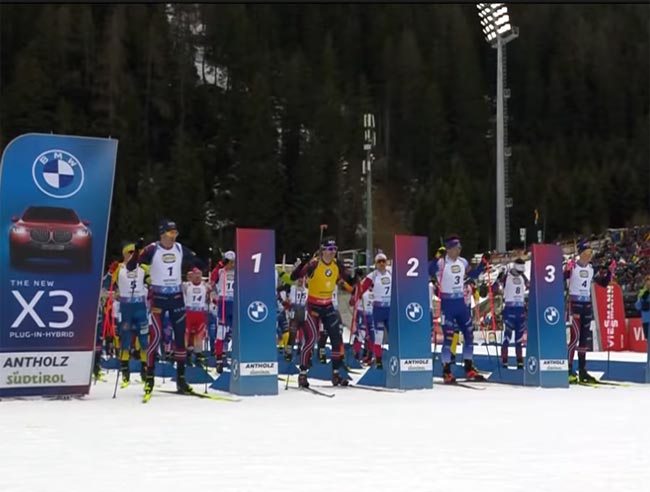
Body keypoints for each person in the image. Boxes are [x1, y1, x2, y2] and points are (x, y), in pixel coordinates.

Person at [127, 219, 204, 398]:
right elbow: (131, 266)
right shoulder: (153, 249)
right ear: (162, 234)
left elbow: (199, 263)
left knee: (180, 339)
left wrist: (198, 266)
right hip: (159, 298)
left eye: (175, 233)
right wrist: (137, 251)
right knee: (156, 337)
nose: (173, 236)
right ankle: (150, 379)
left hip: (176, 298)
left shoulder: (179, 249)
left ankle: (181, 380)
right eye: (170, 233)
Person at [290, 237, 353, 387]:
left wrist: (352, 282)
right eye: (330, 249)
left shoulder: (336, 265)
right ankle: (303, 373)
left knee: (337, 340)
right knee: (311, 339)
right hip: (313, 307)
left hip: (328, 306)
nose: (333, 253)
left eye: (335, 249)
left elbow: (344, 279)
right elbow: (294, 277)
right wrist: (302, 265)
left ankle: (336, 374)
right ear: (323, 250)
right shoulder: (313, 264)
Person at [428, 235, 488, 384]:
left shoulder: (463, 261)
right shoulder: (441, 263)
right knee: (448, 338)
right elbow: (429, 270)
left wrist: (482, 264)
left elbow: (472, 274)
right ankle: (446, 370)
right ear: (449, 249)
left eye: (460, 247)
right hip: (447, 305)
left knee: (469, 335)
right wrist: (436, 257)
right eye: (457, 248)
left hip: (460, 303)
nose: (459, 250)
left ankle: (469, 367)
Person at [565, 240, 610, 384]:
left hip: (586, 305)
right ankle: (568, 368)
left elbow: (602, 284)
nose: (590, 255)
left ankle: (583, 370)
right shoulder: (573, 267)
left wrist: (609, 273)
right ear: (581, 253)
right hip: (575, 304)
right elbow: (562, 278)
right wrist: (567, 270)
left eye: (591, 253)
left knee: (584, 340)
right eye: (587, 252)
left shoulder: (591, 268)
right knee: (575, 337)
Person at [113, 243, 150, 388]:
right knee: (126, 340)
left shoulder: (143, 268)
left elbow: (151, 280)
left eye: (135, 253)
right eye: (130, 253)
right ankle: (125, 371)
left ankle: (144, 369)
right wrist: (111, 273)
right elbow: (111, 282)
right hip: (126, 307)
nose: (133, 256)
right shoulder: (119, 268)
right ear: (125, 254)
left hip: (140, 307)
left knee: (144, 340)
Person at [354, 253, 392, 368]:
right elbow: (362, 288)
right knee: (378, 336)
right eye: (379, 262)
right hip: (378, 310)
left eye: (383, 261)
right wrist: (356, 296)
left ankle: (394, 358)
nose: (382, 264)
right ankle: (378, 361)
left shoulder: (391, 272)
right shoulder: (373, 275)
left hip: (390, 309)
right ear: (375, 264)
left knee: (394, 335)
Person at [499, 258, 529, 369]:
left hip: (520, 310)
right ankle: (504, 363)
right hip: (510, 310)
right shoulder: (507, 275)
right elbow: (494, 286)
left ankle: (520, 364)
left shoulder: (523, 276)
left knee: (519, 340)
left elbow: (529, 285)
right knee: (507, 338)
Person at [210, 250, 235, 374]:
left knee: (234, 332)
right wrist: (220, 264)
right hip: (224, 304)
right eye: (229, 262)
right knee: (221, 331)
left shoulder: (238, 272)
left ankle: (234, 356)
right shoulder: (220, 271)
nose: (231, 265)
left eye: (233, 262)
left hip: (235, 304)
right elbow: (212, 280)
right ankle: (219, 359)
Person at [183, 267, 209, 369]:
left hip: (200, 313)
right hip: (189, 312)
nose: (198, 278)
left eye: (199, 276)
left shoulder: (205, 286)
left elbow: (212, 292)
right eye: (196, 276)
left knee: (199, 335)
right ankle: (186, 354)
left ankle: (198, 354)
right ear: (191, 276)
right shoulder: (186, 285)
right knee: (186, 334)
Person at [351, 268, 374, 364]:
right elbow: (352, 301)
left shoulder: (375, 286)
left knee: (372, 336)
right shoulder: (360, 286)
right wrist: (357, 297)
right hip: (362, 312)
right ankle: (356, 353)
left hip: (372, 314)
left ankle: (368, 355)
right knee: (361, 334)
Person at [284, 275, 309, 361]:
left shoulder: (307, 290)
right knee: (292, 335)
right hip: (294, 314)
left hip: (303, 314)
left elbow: (307, 302)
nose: (301, 281)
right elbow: (291, 301)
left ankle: (303, 351)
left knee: (305, 334)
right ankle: (289, 353)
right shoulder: (293, 288)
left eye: (302, 279)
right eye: (299, 279)